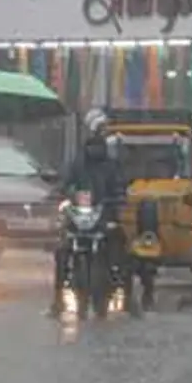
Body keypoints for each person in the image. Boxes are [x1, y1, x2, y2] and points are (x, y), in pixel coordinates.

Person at [50, 123, 127, 314]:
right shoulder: (78, 165)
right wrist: (61, 192)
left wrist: (117, 197)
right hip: (79, 216)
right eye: (91, 147)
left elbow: (119, 185)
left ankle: (126, 291)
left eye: (97, 148)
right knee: (62, 251)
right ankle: (58, 298)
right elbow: (67, 182)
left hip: (104, 215)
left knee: (121, 245)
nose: (94, 151)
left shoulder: (111, 166)